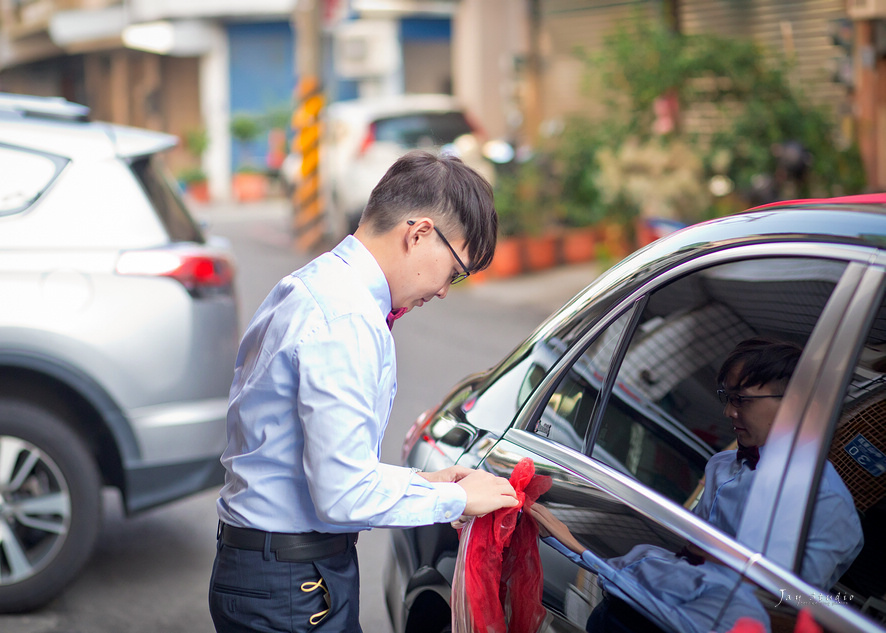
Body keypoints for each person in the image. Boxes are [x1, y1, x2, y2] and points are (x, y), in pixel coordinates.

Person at [209, 150, 520, 633]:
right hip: (292, 584)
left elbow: (326, 464)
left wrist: (425, 484)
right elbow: (343, 495)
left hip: (277, 570)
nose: (443, 291)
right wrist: (456, 502)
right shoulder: (347, 318)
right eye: (455, 270)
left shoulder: (317, 284)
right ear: (418, 235)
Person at [529, 337, 864, 633]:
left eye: (742, 400)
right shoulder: (722, 466)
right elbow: (687, 560)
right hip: (630, 602)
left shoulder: (825, 505)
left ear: (800, 406)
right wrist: (580, 550)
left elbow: (778, 606)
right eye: (726, 397)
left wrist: (582, 551)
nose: (728, 412)